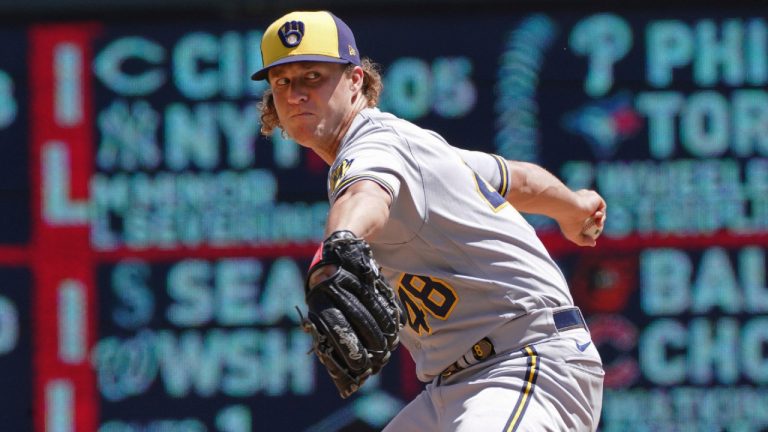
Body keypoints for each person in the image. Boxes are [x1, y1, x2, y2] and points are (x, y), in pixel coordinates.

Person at [253, 10, 606, 431]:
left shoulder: (373, 148)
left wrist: (341, 243)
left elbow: (365, 194)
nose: (295, 94)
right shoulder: (414, 147)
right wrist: (573, 207)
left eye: (312, 76)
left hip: (526, 363)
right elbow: (517, 178)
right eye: (282, 82)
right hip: (457, 386)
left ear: (355, 80)